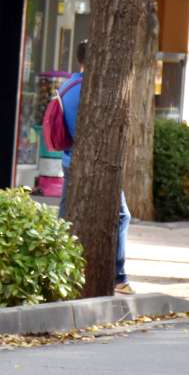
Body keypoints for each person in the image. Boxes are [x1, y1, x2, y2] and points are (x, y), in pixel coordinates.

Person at [57, 39, 133, 294]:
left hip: (69, 159)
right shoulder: (92, 89)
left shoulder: (67, 86)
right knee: (121, 215)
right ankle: (118, 276)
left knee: (67, 216)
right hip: (96, 163)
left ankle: (56, 269)